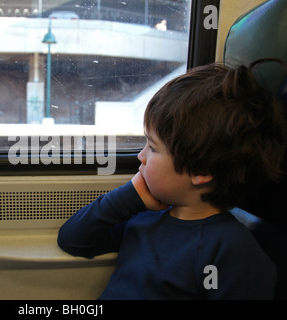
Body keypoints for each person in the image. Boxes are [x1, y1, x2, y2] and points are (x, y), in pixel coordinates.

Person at [57, 61, 286, 299]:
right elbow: (73, 240)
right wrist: (126, 198)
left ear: (199, 171)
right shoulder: (144, 217)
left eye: (153, 148)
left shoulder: (231, 251)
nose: (140, 155)